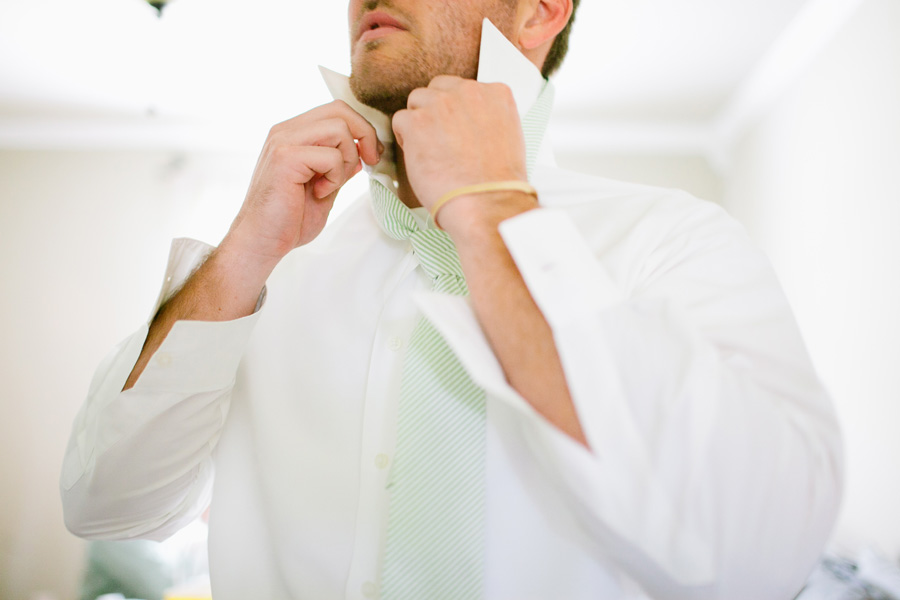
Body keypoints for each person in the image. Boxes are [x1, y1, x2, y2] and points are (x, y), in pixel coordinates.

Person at [61, 0, 843, 598]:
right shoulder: (266, 283)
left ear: (540, 9)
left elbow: (765, 552)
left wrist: (492, 209)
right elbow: (103, 505)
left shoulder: (671, 240)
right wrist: (241, 252)